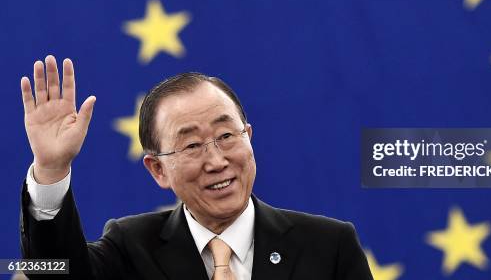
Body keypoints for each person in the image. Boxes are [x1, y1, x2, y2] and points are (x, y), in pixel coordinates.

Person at [19, 55, 373, 280]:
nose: (217, 161)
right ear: (158, 169)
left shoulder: (329, 247)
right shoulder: (130, 248)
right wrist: (51, 169)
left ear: (248, 136)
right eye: (191, 145)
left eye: (226, 136)